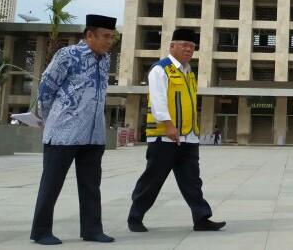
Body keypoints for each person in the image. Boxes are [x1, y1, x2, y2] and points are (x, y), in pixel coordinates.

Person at [30, 15, 117, 245]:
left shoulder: (106, 59)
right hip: (63, 133)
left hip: (94, 134)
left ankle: (92, 229)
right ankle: (40, 231)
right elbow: (46, 87)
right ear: (89, 35)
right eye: (105, 36)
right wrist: (51, 119)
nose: (110, 41)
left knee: (91, 185)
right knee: (51, 183)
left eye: (112, 37)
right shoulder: (68, 55)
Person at [128, 28, 225, 233]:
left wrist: (193, 134)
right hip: (165, 137)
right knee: (153, 180)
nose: (189, 49)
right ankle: (135, 217)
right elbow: (158, 100)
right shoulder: (161, 69)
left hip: (188, 137)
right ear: (172, 46)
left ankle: (201, 218)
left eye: (192, 47)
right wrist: (169, 126)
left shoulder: (189, 72)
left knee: (192, 181)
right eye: (184, 45)